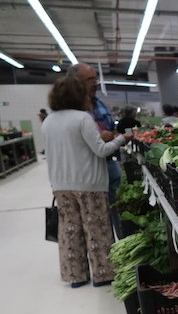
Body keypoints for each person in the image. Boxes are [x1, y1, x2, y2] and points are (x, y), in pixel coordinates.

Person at [42, 76, 132, 288]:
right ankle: (103, 275)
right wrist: (121, 139)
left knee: (70, 230)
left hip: (60, 185)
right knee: (97, 229)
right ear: (78, 95)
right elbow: (101, 150)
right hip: (89, 183)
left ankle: (76, 276)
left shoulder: (48, 121)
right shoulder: (82, 118)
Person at [67, 63, 124, 238]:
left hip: (109, 163)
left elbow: (108, 129)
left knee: (119, 212)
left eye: (96, 78)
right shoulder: (69, 109)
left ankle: (120, 245)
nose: (96, 83)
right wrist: (100, 136)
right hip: (89, 173)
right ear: (75, 82)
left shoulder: (98, 103)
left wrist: (112, 134)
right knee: (97, 221)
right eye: (90, 79)